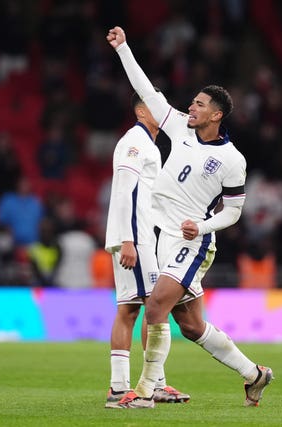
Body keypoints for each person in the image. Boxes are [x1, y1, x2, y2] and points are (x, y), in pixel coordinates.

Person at [106, 26, 273, 409]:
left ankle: (145, 393)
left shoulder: (233, 161)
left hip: (191, 240)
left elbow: (233, 211)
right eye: (192, 103)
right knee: (192, 326)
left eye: (198, 104)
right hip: (159, 233)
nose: (191, 108)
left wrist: (202, 226)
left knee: (154, 306)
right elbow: (146, 91)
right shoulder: (179, 125)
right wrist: (124, 48)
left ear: (216, 114)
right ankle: (255, 375)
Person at [104, 91, 190, 408]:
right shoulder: (136, 142)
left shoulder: (145, 143)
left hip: (134, 234)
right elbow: (125, 189)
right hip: (135, 237)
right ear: (142, 111)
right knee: (154, 309)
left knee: (128, 309)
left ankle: (118, 387)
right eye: (156, 105)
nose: (164, 111)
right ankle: (154, 385)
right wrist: (128, 238)